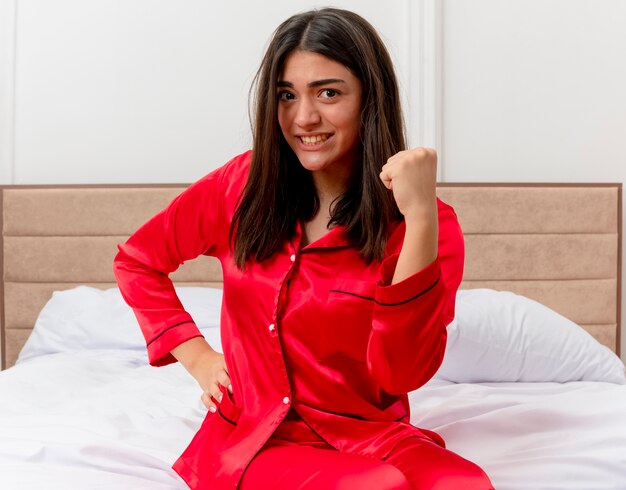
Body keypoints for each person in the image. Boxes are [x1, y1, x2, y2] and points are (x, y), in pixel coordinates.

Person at [113, 7, 494, 490]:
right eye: (287, 96)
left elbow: (402, 373)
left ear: (369, 98)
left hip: (368, 432)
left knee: (466, 485)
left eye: (328, 93)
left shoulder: (429, 222)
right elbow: (138, 261)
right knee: (380, 487)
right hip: (255, 436)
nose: (304, 117)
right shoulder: (240, 187)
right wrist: (199, 357)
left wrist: (417, 216)